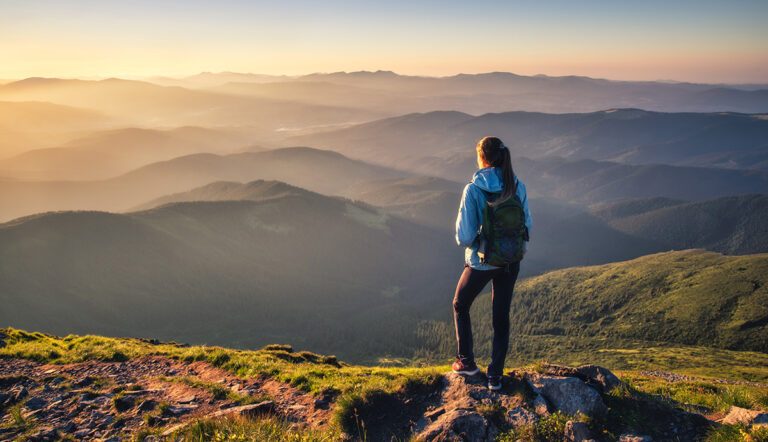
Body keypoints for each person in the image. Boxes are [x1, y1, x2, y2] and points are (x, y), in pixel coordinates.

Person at [452, 136, 532, 390]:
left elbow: (464, 237)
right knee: (501, 316)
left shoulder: (474, 189)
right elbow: (526, 225)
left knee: (460, 304)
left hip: (482, 261)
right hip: (510, 260)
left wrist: (479, 241)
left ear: (481, 157)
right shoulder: (517, 185)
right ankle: (495, 376)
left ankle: (466, 362)